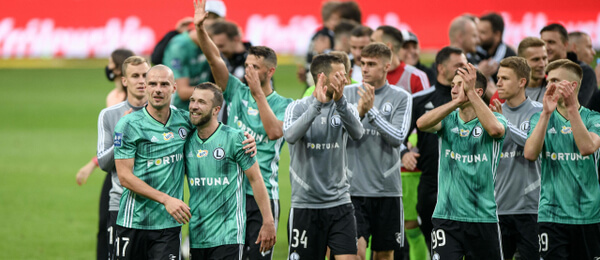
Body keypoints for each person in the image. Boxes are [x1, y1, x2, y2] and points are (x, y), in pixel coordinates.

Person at [192, 1, 292, 258]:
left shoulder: (285, 105)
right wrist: (200, 29)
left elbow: (273, 133)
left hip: (263, 197)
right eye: (246, 65)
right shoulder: (235, 90)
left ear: (270, 71)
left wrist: (258, 95)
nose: (248, 71)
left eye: (255, 67)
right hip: (229, 194)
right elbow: (215, 59)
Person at [416, 64, 507, 259]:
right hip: (446, 218)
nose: (454, 89)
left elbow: (496, 131)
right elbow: (421, 123)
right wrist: (455, 103)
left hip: (482, 218)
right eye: (452, 85)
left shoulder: (496, 119)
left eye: (461, 84)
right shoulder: (448, 119)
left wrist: (471, 95)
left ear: (478, 91)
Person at [283, 54, 363, 259]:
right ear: (322, 78)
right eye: (339, 76)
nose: (345, 80)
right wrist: (316, 106)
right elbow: (290, 136)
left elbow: (358, 133)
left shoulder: (345, 107)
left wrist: (341, 103)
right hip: (306, 205)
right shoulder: (297, 107)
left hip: (340, 203)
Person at [184, 82, 276, 259]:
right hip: (197, 236)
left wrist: (268, 220)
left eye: (202, 102)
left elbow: (256, 179)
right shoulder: (186, 140)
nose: (194, 106)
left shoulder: (235, 138)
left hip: (229, 236)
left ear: (216, 109)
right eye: (192, 100)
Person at [524, 59, 600, 259]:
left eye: (555, 81)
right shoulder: (539, 119)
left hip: (589, 215)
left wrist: (572, 108)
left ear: (572, 86)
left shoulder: (594, 119)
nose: (549, 86)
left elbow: (587, 148)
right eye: (548, 81)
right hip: (551, 216)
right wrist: (546, 114)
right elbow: (530, 154)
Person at [343, 42, 412, 260]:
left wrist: (370, 111)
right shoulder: (346, 94)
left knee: (384, 255)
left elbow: (398, 137)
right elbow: (341, 134)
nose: (364, 69)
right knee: (356, 253)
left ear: (386, 66)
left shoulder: (401, 97)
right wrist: (359, 112)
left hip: (387, 190)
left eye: (371, 64)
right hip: (352, 190)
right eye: (362, 63)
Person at [400, 46, 468, 254]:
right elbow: (399, 136)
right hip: (431, 184)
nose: (463, 70)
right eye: (458, 66)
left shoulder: (472, 100)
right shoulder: (420, 99)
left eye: (465, 65)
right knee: (435, 246)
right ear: (440, 68)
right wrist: (404, 153)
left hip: (465, 183)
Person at [75, 48, 134, 260]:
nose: (107, 68)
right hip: (116, 166)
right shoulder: (113, 97)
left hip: (137, 168)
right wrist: (93, 163)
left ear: (118, 68)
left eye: (110, 63)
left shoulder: (138, 99)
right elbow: (112, 140)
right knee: (105, 222)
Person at [95, 56, 150, 260]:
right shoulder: (109, 115)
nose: (141, 80)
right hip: (121, 208)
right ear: (125, 80)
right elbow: (104, 163)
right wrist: (122, 134)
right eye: (135, 76)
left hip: (159, 210)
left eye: (145, 75)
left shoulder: (167, 115)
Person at [488, 57, 542, 260]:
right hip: (498, 208)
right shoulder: (491, 114)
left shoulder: (539, 112)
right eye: (498, 78)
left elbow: (533, 147)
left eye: (505, 78)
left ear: (522, 82)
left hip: (531, 208)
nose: (498, 83)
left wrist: (505, 126)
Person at [151, 0, 226, 65]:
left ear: (223, 20)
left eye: (215, 18)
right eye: (207, 17)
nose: (210, 22)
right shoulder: (185, 41)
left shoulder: (227, 42)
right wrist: (175, 33)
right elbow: (156, 59)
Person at [540, 23, 597, 107]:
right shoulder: (539, 72)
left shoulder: (583, 72)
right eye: (542, 43)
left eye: (551, 42)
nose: (546, 47)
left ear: (565, 45)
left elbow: (576, 107)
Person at [371, 26, 430, 95]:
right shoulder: (369, 74)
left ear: (388, 46)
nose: (368, 46)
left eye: (373, 42)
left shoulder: (416, 77)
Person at [475, 13, 517, 83]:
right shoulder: (477, 52)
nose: (478, 37)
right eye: (477, 32)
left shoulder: (509, 59)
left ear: (497, 35)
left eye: (483, 33)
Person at [518, 37, 549, 102]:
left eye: (544, 58)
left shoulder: (556, 88)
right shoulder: (506, 90)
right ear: (521, 62)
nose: (542, 64)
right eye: (536, 59)